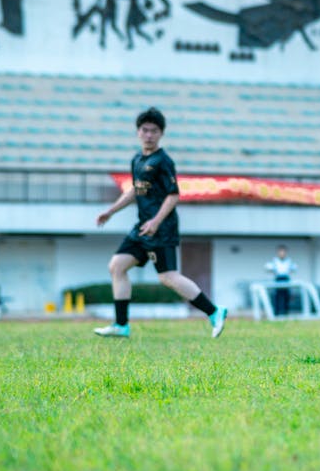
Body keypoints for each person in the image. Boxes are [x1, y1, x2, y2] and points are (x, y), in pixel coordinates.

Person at [94, 107, 227, 338]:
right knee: (117, 266)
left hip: (161, 228)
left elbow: (173, 195)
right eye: (145, 130)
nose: (149, 135)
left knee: (167, 277)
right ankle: (121, 325)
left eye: (154, 131)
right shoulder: (137, 159)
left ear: (161, 134)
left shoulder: (163, 161)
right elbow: (134, 190)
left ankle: (214, 312)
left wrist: (156, 221)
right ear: (138, 132)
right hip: (142, 227)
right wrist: (111, 211)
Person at [266, 245, 296, 316]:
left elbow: (294, 268)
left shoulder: (289, 261)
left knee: (286, 296)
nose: (282, 253)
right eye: (280, 252)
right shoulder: (274, 261)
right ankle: (276, 313)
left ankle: (285, 313)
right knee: (277, 297)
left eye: (283, 252)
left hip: (286, 279)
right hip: (278, 279)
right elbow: (268, 268)